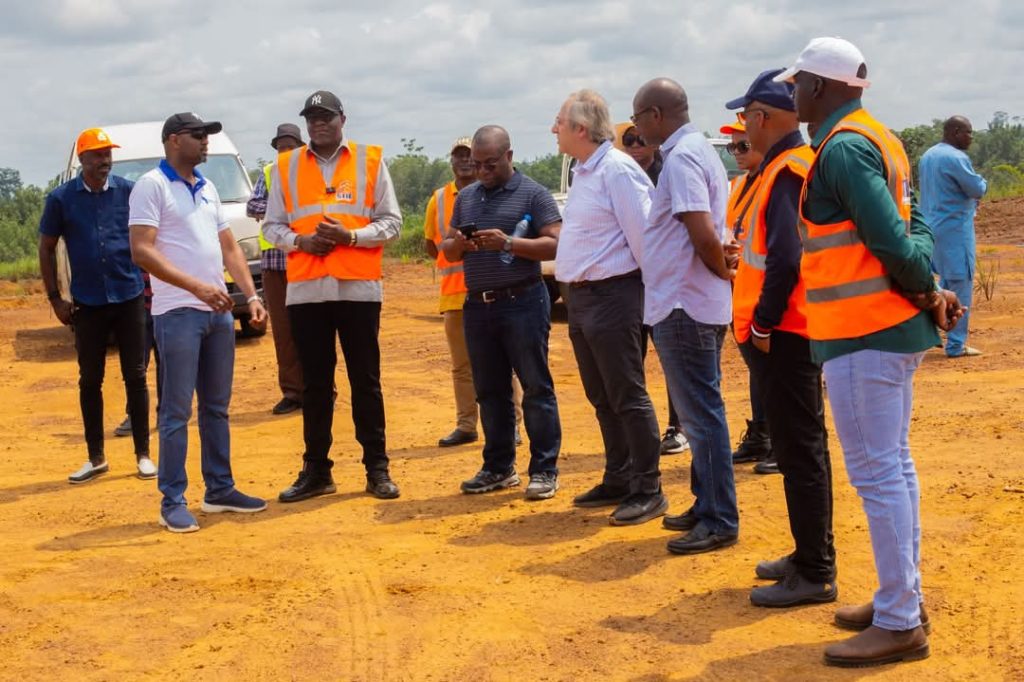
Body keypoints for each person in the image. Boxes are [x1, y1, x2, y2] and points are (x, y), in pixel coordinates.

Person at [776, 37, 964, 666]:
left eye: (798, 83)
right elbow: (915, 226)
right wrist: (927, 286)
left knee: (879, 476)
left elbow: (892, 239)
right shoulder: (878, 138)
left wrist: (926, 287)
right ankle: (900, 598)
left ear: (820, 86)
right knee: (895, 470)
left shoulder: (842, 148)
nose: (793, 94)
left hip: (864, 333)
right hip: (883, 331)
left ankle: (900, 619)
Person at [726, 69, 836, 607]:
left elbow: (788, 259)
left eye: (746, 116)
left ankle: (815, 570)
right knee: (797, 449)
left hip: (786, 333)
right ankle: (807, 555)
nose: (743, 126)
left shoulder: (788, 169)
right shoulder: (777, 167)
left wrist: (764, 323)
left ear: (762, 118)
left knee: (801, 450)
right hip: (782, 332)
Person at [129, 112, 268, 532]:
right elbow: (142, 250)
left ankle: (219, 489)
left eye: (207, 136)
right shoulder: (152, 186)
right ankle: (172, 500)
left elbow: (230, 248)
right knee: (176, 412)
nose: (206, 142)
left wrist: (252, 296)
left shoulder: (207, 188)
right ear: (174, 140)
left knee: (216, 408)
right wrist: (196, 288)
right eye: (198, 135)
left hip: (217, 314)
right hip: (177, 313)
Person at [263, 90, 403, 503]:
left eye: (326, 116)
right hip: (306, 291)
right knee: (315, 386)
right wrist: (301, 241)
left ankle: (377, 468)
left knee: (366, 381)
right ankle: (317, 471)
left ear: (343, 119)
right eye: (312, 118)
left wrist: (351, 236)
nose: (319, 123)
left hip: (358, 289)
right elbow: (271, 226)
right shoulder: (285, 166)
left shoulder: (370, 160)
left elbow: (392, 222)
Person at [630, 78, 739, 555]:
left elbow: (701, 231)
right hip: (691, 300)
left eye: (637, 117)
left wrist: (721, 273)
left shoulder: (681, 159)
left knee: (701, 415)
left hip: (684, 303)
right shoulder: (696, 151)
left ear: (655, 115)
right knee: (699, 412)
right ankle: (705, 503)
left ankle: (718, 519)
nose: (635, 128)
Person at [553, 90, 665, 525]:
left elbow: (645, 240)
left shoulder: (617, 170)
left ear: (581, 129)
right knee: (602, 395)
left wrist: (649, 299)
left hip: (614, 295)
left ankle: (648, 488)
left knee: (627, 394)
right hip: (583, 299)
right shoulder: (586, 172)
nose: (553, 129)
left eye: (560, 122)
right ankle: (619, 476)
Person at [440, 125, 563, 500]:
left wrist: (508, 243)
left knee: (535, 387)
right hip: (479, 305)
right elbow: (447, 248)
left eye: (490, 164)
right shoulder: (467, 197)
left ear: (509, 156)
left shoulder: (534, 194)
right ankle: (498, 467)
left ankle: (544, 470)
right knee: (490, 390)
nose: (481, 171)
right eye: (477, 164)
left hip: (523, 301)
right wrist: (460, 244)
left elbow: (556, 244)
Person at [38, 127, 155, 483]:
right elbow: (46, 247)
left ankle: (143, 455)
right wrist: (55, 299)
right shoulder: (61, 199)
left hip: (129, 296)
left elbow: (149, 238)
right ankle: (96, 457)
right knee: (90, 380)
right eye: (98, 155)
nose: (105, 161)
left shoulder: (129, 192)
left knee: (136, 376)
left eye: (108, 154)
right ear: (82, 159)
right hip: (87, 302)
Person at [423, 137, 524, 447]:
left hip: (493, 291)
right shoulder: (439, 199)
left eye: (470, 155)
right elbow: (431, 245)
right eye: (459, 155)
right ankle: (466, 424)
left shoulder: (493, 193)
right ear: (451, 160)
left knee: (503, 363)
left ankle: (512, 424)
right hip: (454, 296)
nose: (465, 161)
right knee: (462, 366)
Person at [615, 122, 687, 456]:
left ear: (654, 144)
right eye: (628, 140)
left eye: (640, 140)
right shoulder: (620, 177)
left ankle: (679, 426)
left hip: (665, 282)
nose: (634, 146)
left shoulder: (667, 175)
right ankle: (641, 431)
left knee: (672, 357)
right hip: (630, 284)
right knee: (632, 359)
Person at [720, 117, 775, 473]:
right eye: (732, 147)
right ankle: (762, 436)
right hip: (739, 288)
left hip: (766, 290)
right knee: (758, 370)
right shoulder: (737, 185)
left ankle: (781, 442)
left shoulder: (776, 181)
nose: (737, 153)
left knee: (774, 372)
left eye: (743, 145)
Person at [247, 122, 307, 415]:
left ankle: (321, 390)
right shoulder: (269, 172)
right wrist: (283, 207)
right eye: (280, 148)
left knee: (312, 329)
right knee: (283, 332)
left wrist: (276, 210)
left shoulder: (313, 172)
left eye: (290, 147)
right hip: (274, 263)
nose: (284, 152)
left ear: (301, 148)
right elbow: (252, 206)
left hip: (306, 260)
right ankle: (293, 392)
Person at [919, 116, 988, 358]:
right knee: (960, 281)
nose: (971, 137)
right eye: (968, 132)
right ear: (956, 131)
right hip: (954, 230)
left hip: (929, 228)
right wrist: (983, 183)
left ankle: (932, 335)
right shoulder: (956, 158)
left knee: (939, 284)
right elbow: (976, 188)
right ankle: (956, 345)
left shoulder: (928, 155)